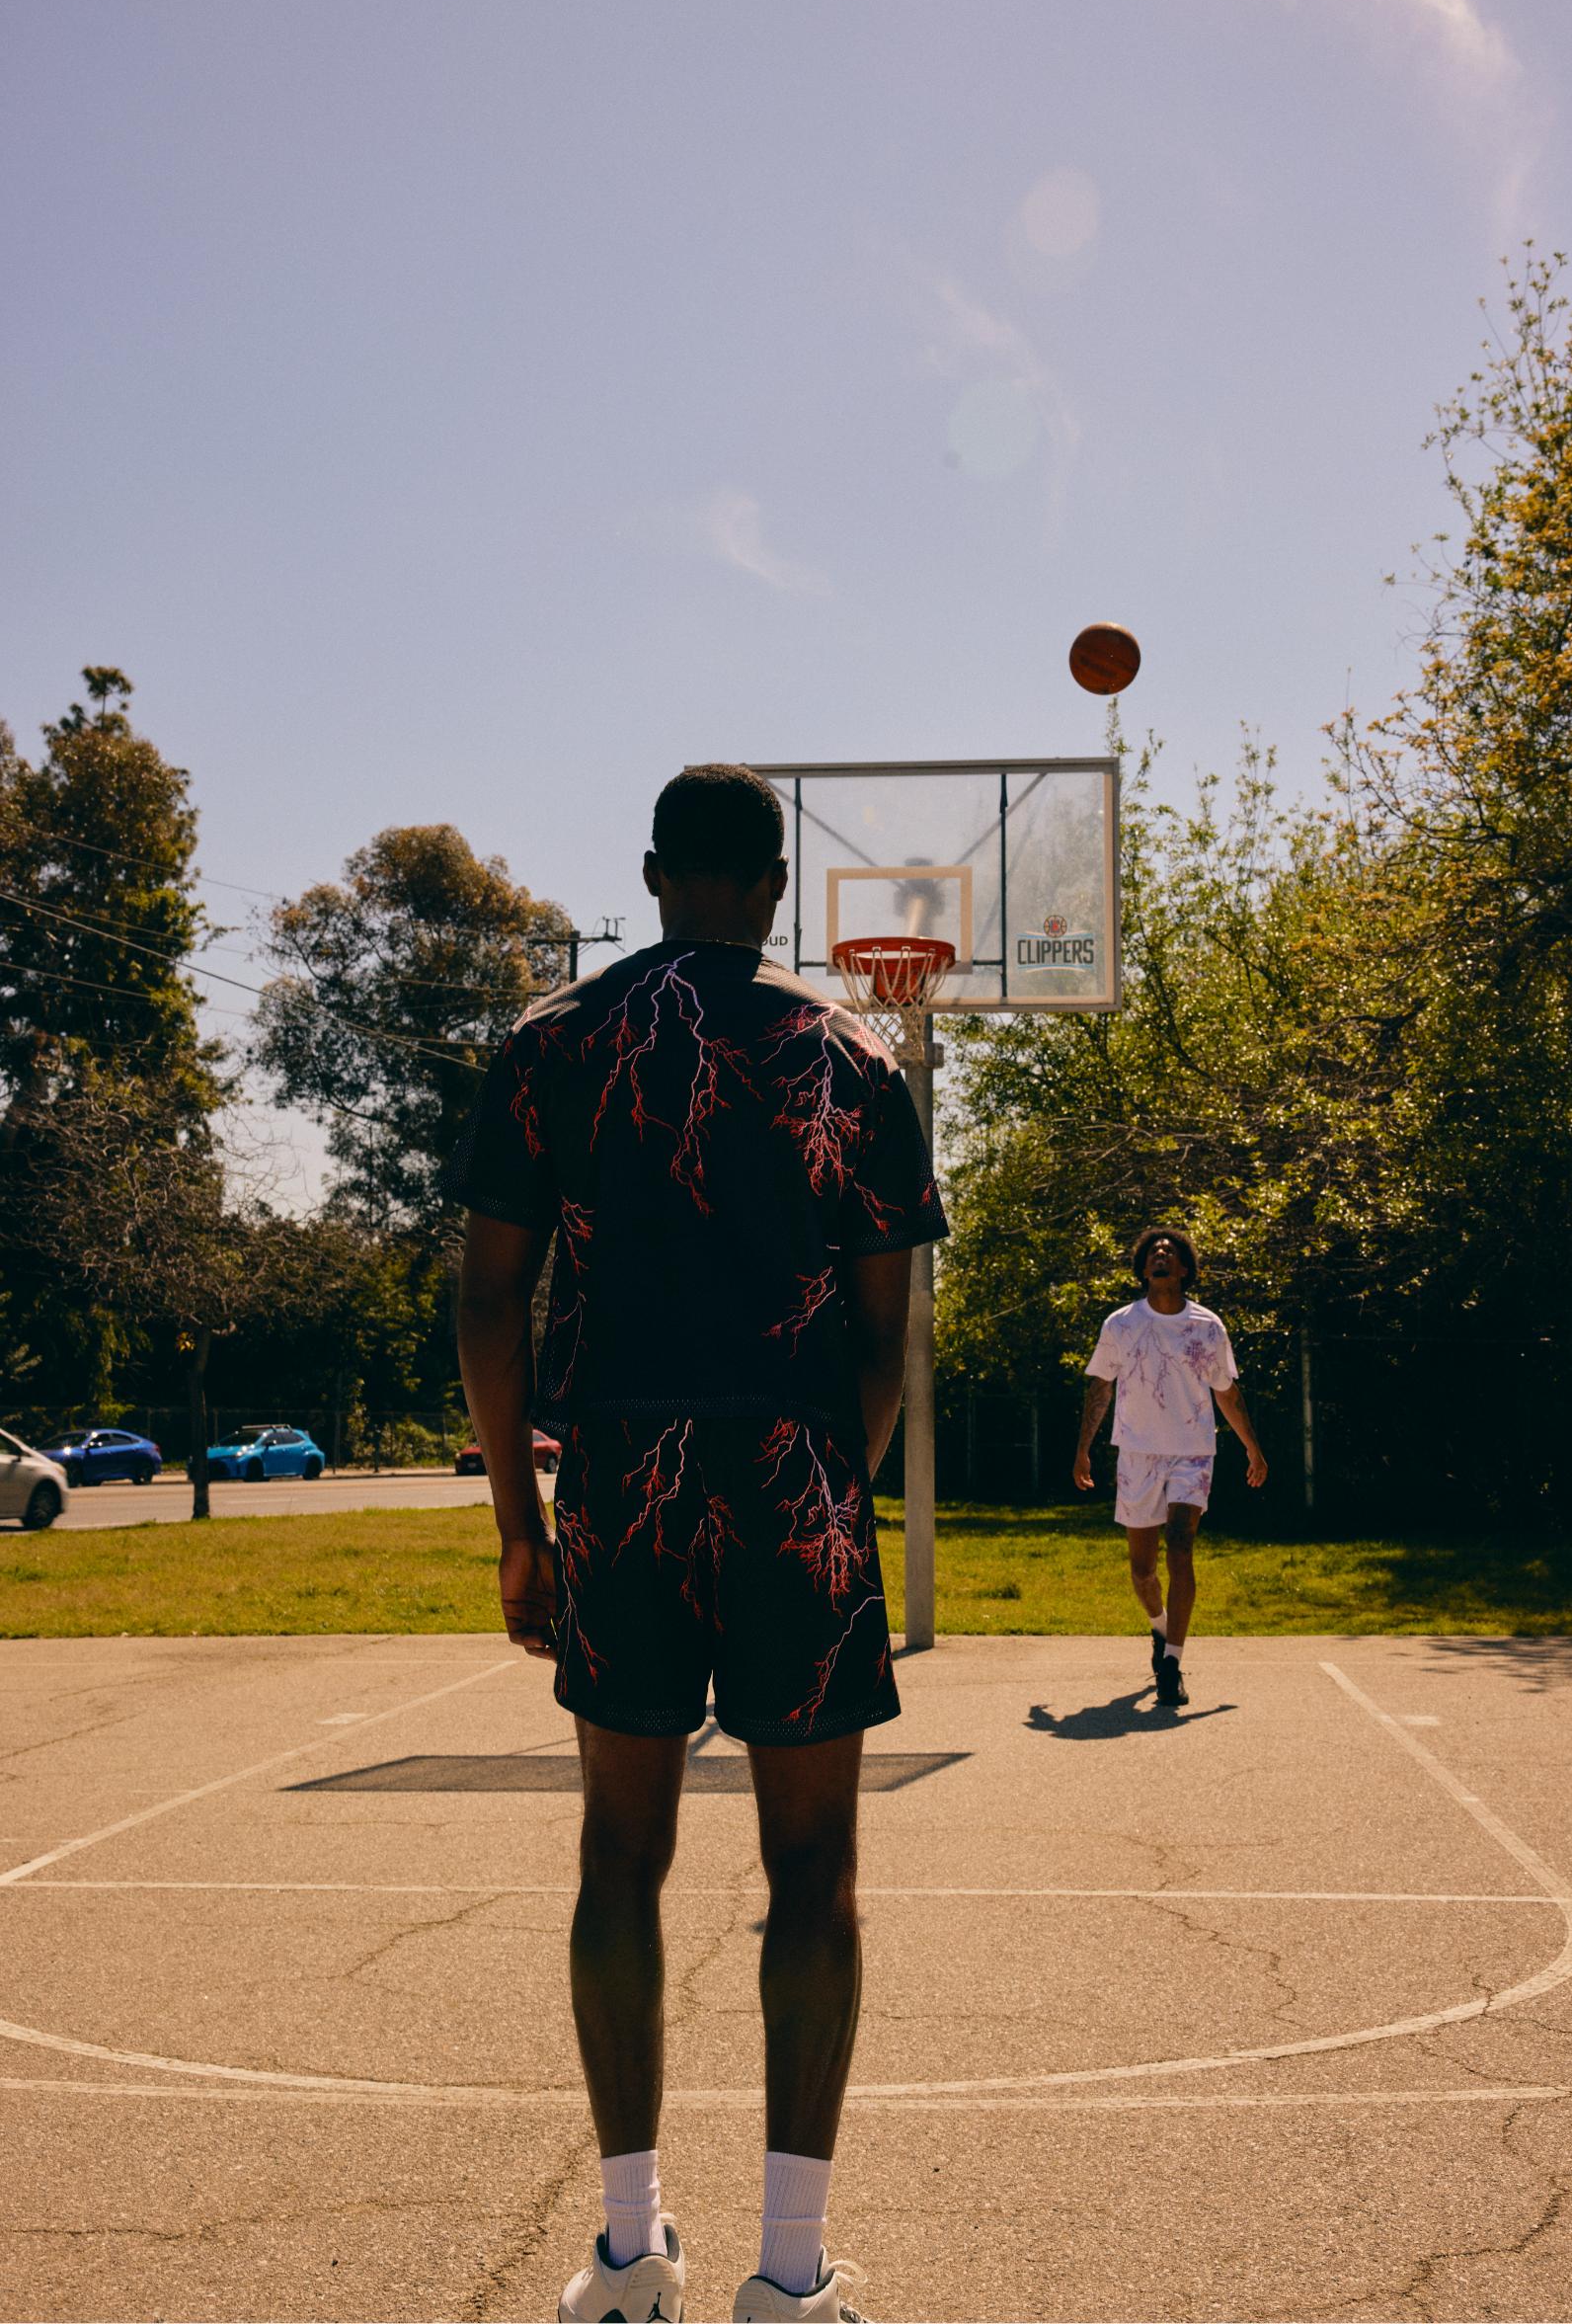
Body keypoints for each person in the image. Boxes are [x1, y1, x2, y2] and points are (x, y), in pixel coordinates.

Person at [447, 764, 946, 2324]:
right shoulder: (852, 1050)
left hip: (616, 1474)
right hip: (792, 1471)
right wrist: (824, 1493)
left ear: (657, 874)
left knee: (620, 1856)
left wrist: (523, 1530)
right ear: (779, 888)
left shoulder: (552, 1044)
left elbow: (486, 1300)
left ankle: (624, 2253)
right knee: (813, 1869)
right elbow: (887, 1332)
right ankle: (787, 2278)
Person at [1071, 1227, 1266, 1707]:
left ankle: (1173, 1663)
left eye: (1170, 1252)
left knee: (1180, 1546)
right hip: (1137, 1453)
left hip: (1191, 1451)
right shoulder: (1121, 1324)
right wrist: (1083, 1449)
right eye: (1153, 1252)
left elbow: (1227, 1392)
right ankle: (1160, 1629)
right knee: (1142, 1572)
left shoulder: (1207, 1327)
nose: (1161, 1256)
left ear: (1183, 1269)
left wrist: (1253, 1449)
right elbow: (1099, 1388)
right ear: (1143, 1269)